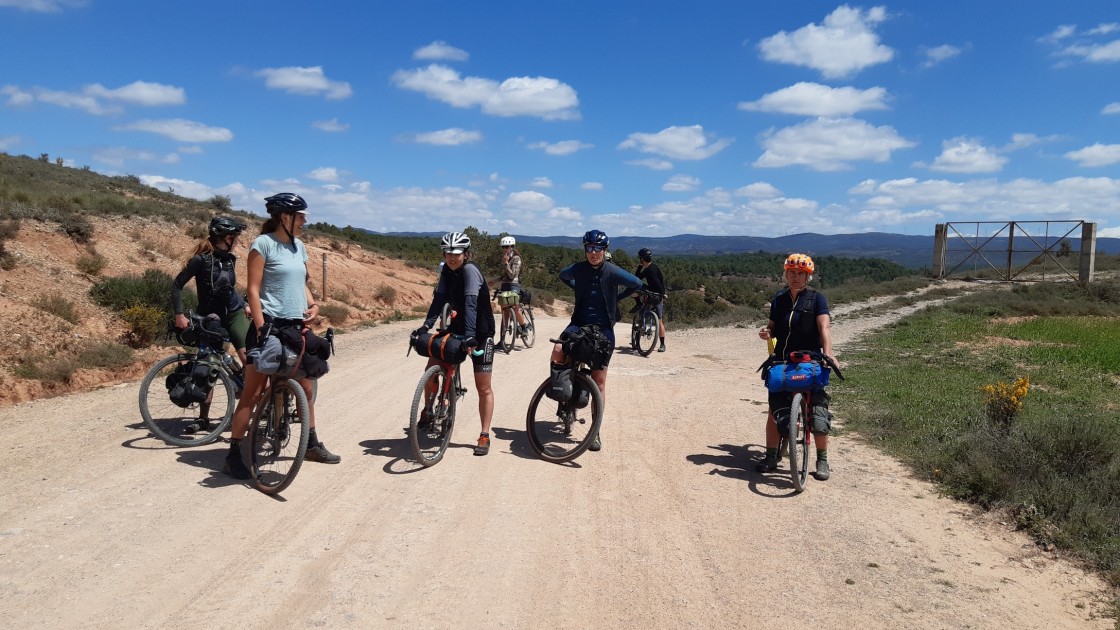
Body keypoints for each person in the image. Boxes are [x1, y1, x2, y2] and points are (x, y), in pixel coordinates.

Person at [222, 193, 340, 480]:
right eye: (300, 217)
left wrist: (313, 305)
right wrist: (261, 328)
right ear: (284, 217)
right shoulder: (263, 244)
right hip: (270, 326)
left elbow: (301, 285)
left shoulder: (299, 247)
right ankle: (234, 455)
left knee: (307, 390)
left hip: (296, 327)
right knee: (252, 392)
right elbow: (252, 289)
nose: (304, 222)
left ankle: (310, 444)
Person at [553, 229, 642, 451]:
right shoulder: (578, 269)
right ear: (585, 250)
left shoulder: (612, 271)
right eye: (589, 249)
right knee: (557, 349)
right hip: (578, 323)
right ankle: (561, 393)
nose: (593, 253)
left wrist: (616, 297)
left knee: (599, 381)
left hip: (603, 328)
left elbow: (637, 284)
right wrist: (577, 288)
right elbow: (564, 275)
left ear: (605, 250)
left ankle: (595, 431)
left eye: (598, 249)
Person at [414, 231, 497, 456]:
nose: (452, 257)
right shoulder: (446, 271)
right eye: (448, 253)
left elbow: (471, 303)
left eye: (456, 253)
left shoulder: (470, 271)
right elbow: (438, 299)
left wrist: (471, 336)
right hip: (457, 328)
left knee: (483, 386)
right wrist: (425, 326)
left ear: (466, 254)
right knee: (432, 366)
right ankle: (428, 408)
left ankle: (484, 434)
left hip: (480, 332)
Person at [756, 253, 838, 480]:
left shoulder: (817, 299)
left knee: (818, 413)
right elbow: (772, 328)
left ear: (807, 276)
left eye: (800, 273)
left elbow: (824, 328)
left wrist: (828, 354)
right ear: (785, 274)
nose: (795, 277)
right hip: (782, 360)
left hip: (809, 360)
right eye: (791, 273)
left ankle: (822, 460)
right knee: (774, 410)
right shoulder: (779, 299)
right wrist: (767, 335)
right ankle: (771, 455)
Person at [170, 216, 250, 435]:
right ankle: (203, 419)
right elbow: (176, 286)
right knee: (208, 368)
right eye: (236, 237)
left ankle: (252, 403)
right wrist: (179, 315)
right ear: (226, 237)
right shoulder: (200, 260)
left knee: (248, 360)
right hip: (209, 318)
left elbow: (229, 289)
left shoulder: (230, 260)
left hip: (234, 315)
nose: (238, 242)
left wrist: (244, 305)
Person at [494, 235, 529, 350]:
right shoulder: (507, 257)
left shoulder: (516, 259)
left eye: (506, 246)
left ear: (512, 247)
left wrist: (505, 263)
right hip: (505, 285)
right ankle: (502, 340)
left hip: (514, 285)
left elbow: (512, 275)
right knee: (505, 312)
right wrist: (494, 281)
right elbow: (505, 276)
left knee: (515, 307)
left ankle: (523, 327)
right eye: (503, 247)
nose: (504, 249)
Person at [633, 247, 668, 352]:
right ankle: (662, 345)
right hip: (656, 294)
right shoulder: (650, 268)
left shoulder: (650, 270)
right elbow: (638, 277)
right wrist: (640, 267)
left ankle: (638, 304)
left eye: (640, 259)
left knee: (635, 287)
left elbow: (657, 283)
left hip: (655, 295)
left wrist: (662, 294)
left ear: (642, 259)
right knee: (660, 321)